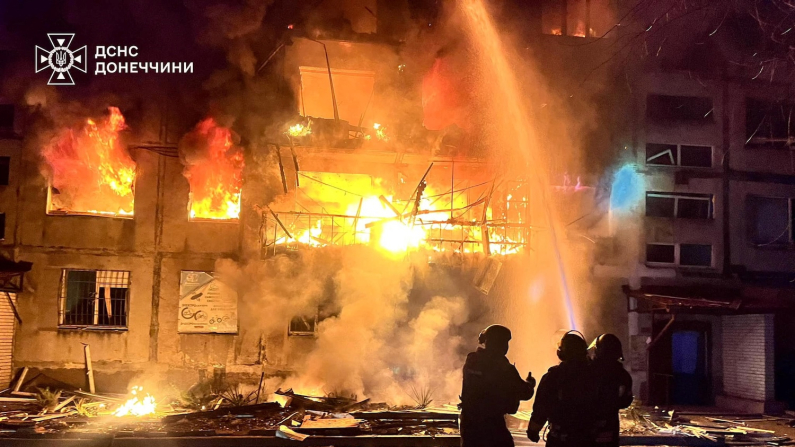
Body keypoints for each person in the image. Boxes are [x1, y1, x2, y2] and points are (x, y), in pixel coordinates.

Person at [459, 324, 536, 447]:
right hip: (492, 424)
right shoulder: (504, 368)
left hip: (469, 423)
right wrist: (530, 384)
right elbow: (524, 392)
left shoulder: (472, 361)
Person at [527, 331, 594, 446]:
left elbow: (541, 407)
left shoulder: (553, 376)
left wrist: (533, 430)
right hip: (589, 439)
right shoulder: (595, 375)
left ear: (562, 352)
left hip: (560, 439)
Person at [590, 334, 633, 447]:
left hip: (586, 426)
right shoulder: (622, 375)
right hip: (610, 425)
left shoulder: (586, 372)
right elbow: (625, 402)